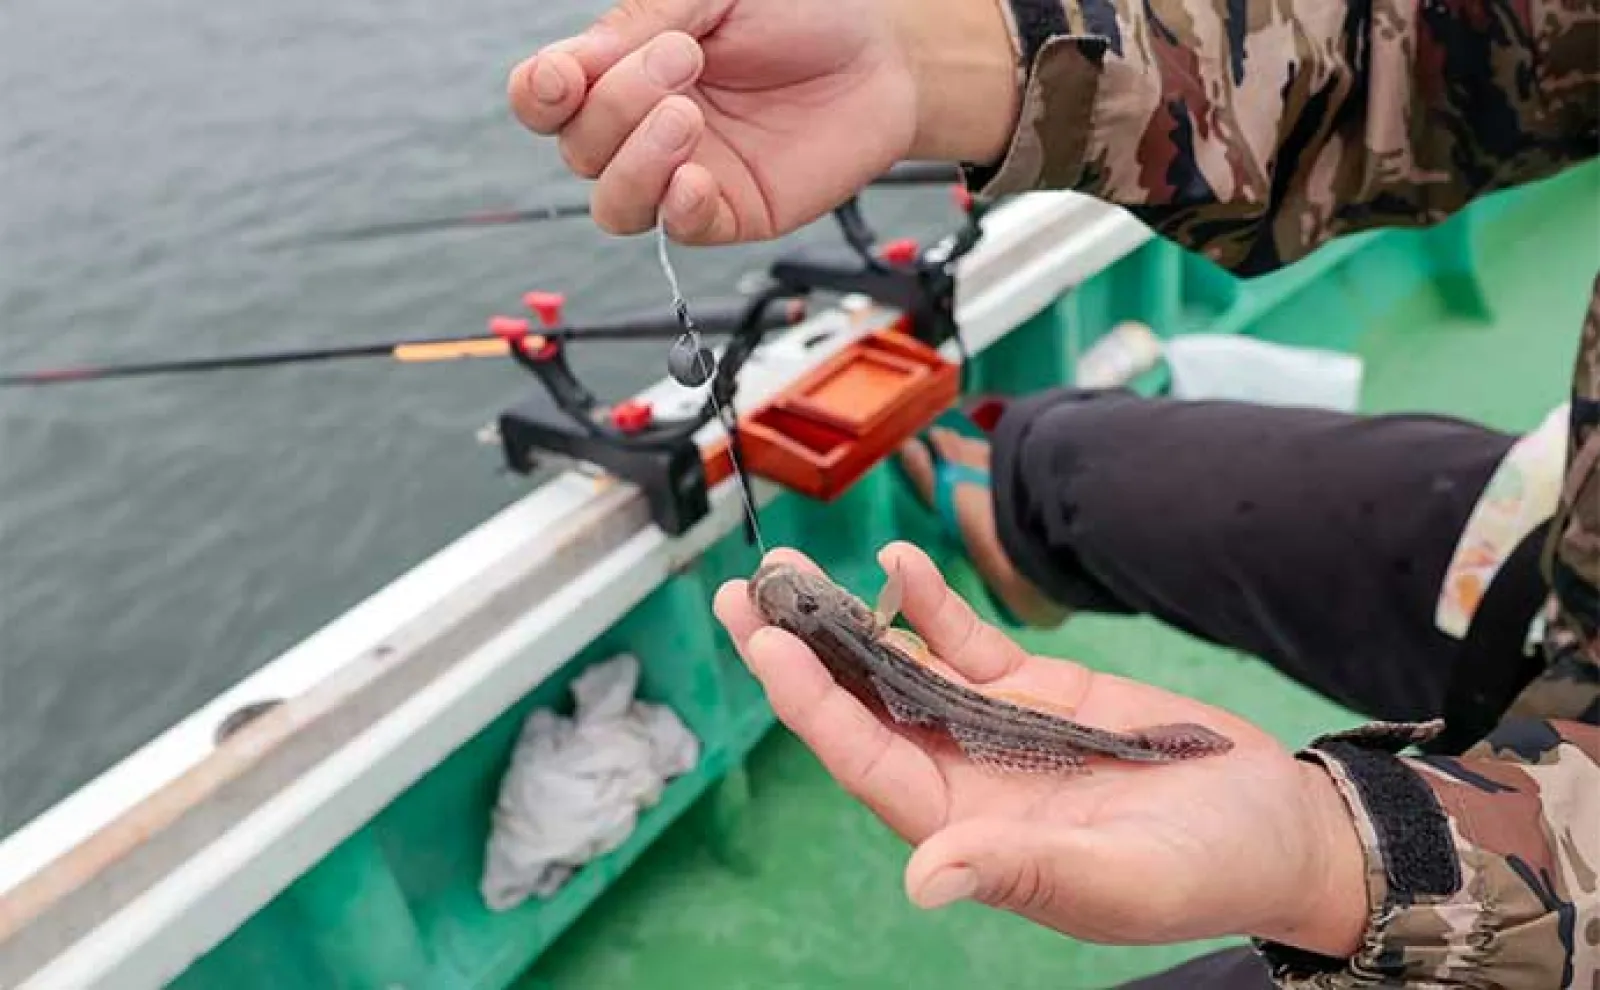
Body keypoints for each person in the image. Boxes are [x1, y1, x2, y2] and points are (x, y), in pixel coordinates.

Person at [505, 0, 1600, 986]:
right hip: (1573, 553)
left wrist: (1337, 857)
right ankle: (1017, 538)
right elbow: (1435, 45)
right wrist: (928, 62)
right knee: (1050, 463)